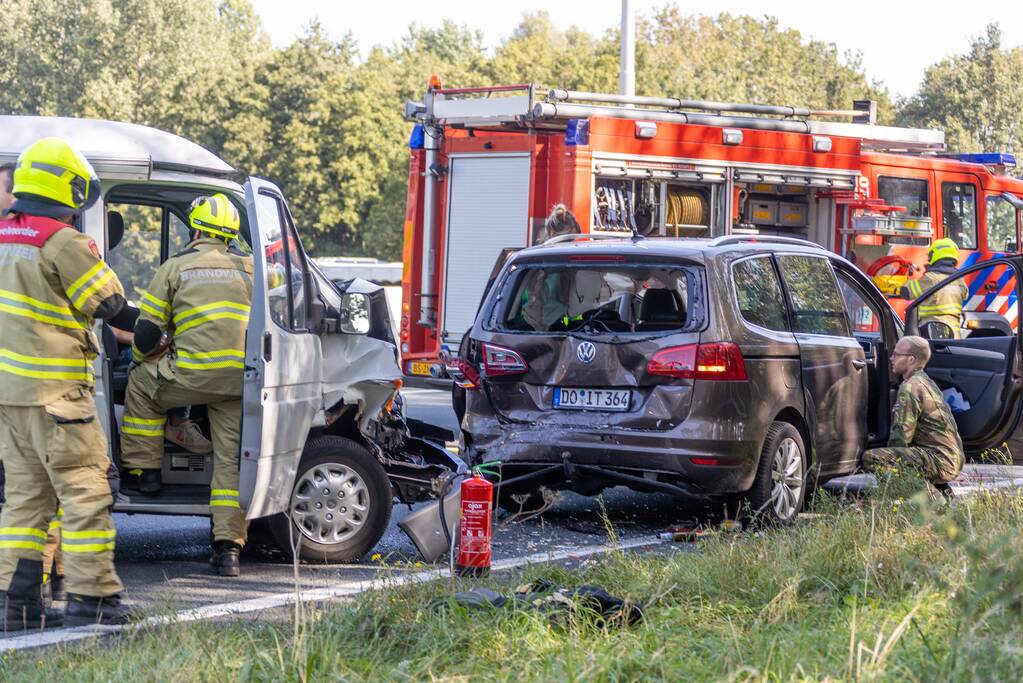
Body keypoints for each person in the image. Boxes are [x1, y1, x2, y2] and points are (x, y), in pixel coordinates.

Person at [0, 137, 132, 628]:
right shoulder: (62, 242)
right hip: (57, 397)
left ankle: (15, 605)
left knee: (24, 502)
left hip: (9, 399)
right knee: (84, 496)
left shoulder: (4, 236)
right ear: (66, 185)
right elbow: (110, 305)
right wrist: (149, 326)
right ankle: (91, 600)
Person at [119, 193, 252, 577]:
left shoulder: (176, 267)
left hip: (188, 376)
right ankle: (228, 549)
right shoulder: (251, 268)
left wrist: (146, 359)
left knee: (141, 385)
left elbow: (146, 331)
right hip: (237, 382)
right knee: (230, 464)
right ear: (229, 234)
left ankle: (147, 473)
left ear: (196, 229)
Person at [862, 335, 965, 492]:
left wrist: (891, 459)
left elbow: (902, 436)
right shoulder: (926, 381)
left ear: (911, 359)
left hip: (940, 460)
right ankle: (940, 491)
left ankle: (930, 501)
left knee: (872, 458)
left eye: (896, 354)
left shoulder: (910, 387)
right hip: (950, 457)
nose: (891, 358)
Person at [899, 238, 968, 339]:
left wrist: (903, 280)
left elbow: (906, 292)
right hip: (954, 336)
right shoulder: (959, 281)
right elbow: (965, 294)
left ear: (935, 256)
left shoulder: (930, 279)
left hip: (932, 333)